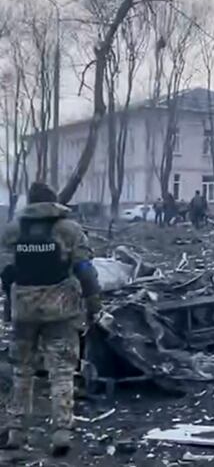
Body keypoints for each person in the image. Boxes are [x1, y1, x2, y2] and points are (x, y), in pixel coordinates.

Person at [0, 182, 102, 456]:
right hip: (61, 310)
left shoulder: (12, 230)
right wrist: (94, 307)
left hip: (24, 312)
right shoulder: (69, 230)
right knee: (61, 371)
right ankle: (61, 431)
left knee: (22, 371)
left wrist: (12, 304)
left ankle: (16, 431)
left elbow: (6, 272)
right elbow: (86, 271)